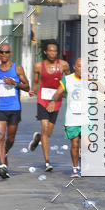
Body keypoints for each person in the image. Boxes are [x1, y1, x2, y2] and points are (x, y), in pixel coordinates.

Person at [0, 43, 30, 179]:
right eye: (1, 52)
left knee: (10, 138)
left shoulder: (17, 68)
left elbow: (27, 87)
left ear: (10, 53)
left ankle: (5, 152)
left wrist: (14, 83)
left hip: (14, 108)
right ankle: (2, 165)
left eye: (6, 52)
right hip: (0, 109)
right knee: (0, 137)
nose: (4, 55)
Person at [28, 40, 70, 171]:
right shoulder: (38, 66)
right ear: (45, 52)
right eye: (50, 51)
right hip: (43, 100)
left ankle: (38, 138)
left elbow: (70, 80)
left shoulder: (63, 65)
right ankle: (47, 162)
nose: (53, 53)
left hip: (56, 100)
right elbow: (35, 82)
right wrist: (33, 90)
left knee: (48, 132)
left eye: (55, 51)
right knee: (45, 128)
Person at [47, 57, 84, 177]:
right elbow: (58, 92)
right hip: (72, 117)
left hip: (87, 117)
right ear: (74, 67)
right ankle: (75, 169)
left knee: (87, 144)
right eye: (79, 66)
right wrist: (53, 101)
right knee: (75, 144)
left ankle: (81, 156)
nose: (81, 69)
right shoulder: (67, 79)